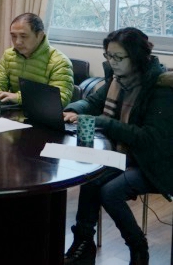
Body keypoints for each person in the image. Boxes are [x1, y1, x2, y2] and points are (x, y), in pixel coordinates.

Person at [62, 28, 173, 265]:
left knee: (110, 191)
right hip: (127, 155)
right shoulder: (118, 79)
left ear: (137, 56)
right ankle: (83, 243)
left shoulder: (160, 87)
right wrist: (73, 109)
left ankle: (138, 249)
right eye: (108, 56)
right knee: (91, 177)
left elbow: (149, 139)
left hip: (155, 163)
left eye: (118, 57)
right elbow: (93, 102)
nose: (112, 62)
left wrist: (104, 123)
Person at [0, 13, 74, 106]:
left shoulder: (60, 62)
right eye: (14, 36)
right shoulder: (9, 55)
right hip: (13, 110)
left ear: (40, 36)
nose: (17, 42)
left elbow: (59, 99)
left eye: (23, 36)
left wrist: (18, 97)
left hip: (42, 113)